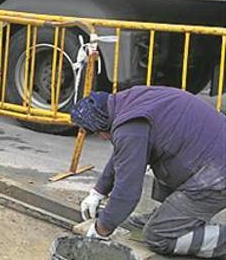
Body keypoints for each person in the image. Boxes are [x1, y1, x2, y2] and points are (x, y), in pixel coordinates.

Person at [72, 86, 226, 258]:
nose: (100, 137)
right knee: (135, 222)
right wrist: (98, 191)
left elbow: (127, 193)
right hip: (210, 155)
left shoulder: (130, 129)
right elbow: (124, 156)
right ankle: (178, 219)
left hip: (216, 174)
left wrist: (101, 229)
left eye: (95, 132)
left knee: (158, 236)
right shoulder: (127, 102)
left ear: (101, 125)